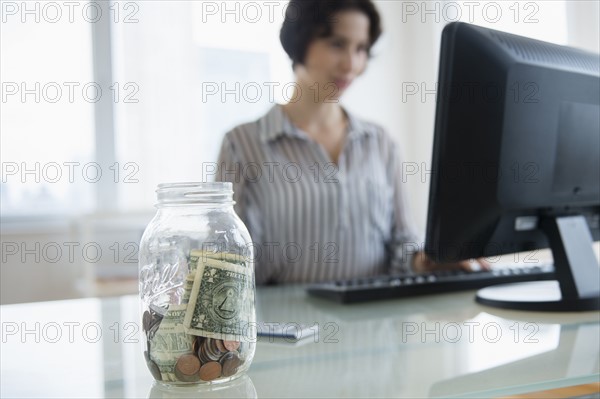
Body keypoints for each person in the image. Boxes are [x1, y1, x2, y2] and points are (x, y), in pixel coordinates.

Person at [216, 0, 488, 284]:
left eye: (361, 49)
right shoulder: (242, 145)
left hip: (377, 325)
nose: (351, 64)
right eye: (337, 44)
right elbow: (232, 267)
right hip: (287, 324)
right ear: (300, 41)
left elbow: (402, 245)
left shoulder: (380, 142)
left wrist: (431, 260)